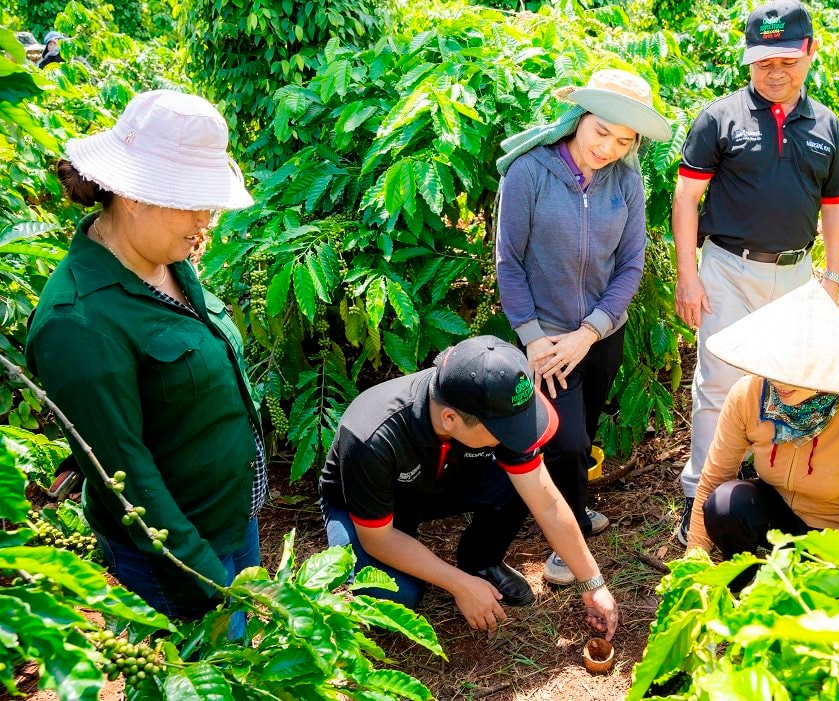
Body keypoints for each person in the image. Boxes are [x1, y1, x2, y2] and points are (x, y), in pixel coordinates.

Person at [26, 90, 264, 637]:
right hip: (180, 552)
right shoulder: (78, 322)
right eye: (193, 201)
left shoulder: (164, 259)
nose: (206, 219)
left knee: (249, 655)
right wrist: (209, 579)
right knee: (208, 673)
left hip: (229, 516)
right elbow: (123, 474)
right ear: (135, 196)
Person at [672, 0, 839, 544]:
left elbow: (837, 203)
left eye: (787, 61)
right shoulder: (718, 117)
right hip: (727, 267)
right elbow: (686, 199)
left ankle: (769, 489)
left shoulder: (826, 124)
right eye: (762, 62)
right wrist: (689, 275)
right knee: (720, 383)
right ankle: (700, 496)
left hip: (797, 276)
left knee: (788, 385)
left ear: (810, 52)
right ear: (748, 60)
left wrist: (835, 276)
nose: (775, 72)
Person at [495, 69, 672, 585]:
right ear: (578, 119)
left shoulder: (627, 180)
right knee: (566, 440)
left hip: (599, 335)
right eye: (601, 132)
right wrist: (532, 340)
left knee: (586, 425)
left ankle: (574, 504)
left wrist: (591, 331)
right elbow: (508, 262)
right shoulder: (529, 173)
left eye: (623, 140)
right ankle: (565, 539)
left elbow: (630, 265)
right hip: (546, 339)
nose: (608, 148)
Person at [318, 336, 619, 639]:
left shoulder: (492, 404)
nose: (514, 436)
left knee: (522, 482)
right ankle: (453, 574)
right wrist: (458, 584)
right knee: (395, 597)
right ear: (450, 419)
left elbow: (547, 501)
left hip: (443, 480)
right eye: (505, 431)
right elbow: (378, 539)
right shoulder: (371, 436)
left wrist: (593, 584)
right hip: (373, 510)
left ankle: (481, 563)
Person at [685, 281, 839, 586]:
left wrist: (832, 541)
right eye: (775, 366)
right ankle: (746, 593)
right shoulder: (748, 395)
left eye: (796, 371)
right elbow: (714, 479)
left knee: (813, 612)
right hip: (780, 519)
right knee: (725, 503)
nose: (779, 381)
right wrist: (693, 565)